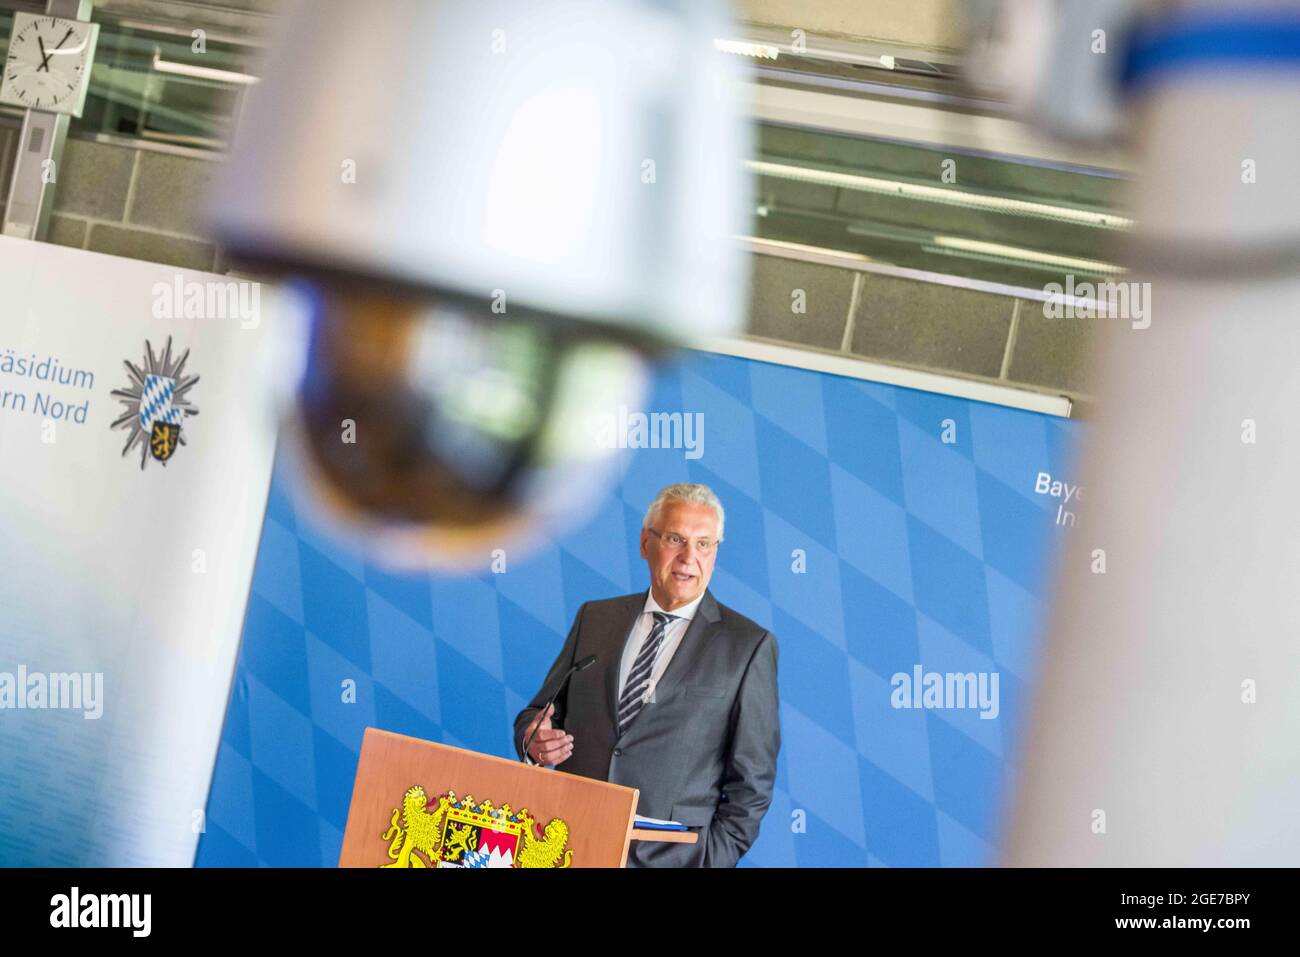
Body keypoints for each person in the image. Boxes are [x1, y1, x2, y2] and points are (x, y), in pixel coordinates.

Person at [514, 482, 780, 867]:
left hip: (671, 859)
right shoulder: (596, 619)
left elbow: (752, 783)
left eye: (704, 544)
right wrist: (532, 740)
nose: (690, 557)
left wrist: (711, 860)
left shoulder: (747, 646)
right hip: (569, 843)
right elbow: (539, 713)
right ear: (645, 543)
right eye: (676, 538)